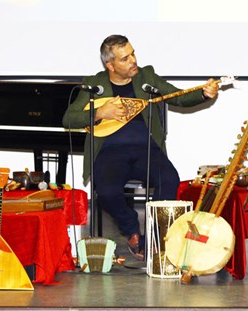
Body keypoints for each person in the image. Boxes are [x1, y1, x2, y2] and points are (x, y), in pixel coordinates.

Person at [62, 34, 219, 260]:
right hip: (110, 152)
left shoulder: (147, 77)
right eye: (125, 58)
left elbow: (178, 97)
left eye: (133, 53)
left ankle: (154, 237)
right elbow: (68, 119)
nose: (133, 60)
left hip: (147, 149)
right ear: (110, 65)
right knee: (105, 191)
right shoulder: (94, 84)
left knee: (169, 180)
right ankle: (131, 228)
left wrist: (204, 93)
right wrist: (99, 112)